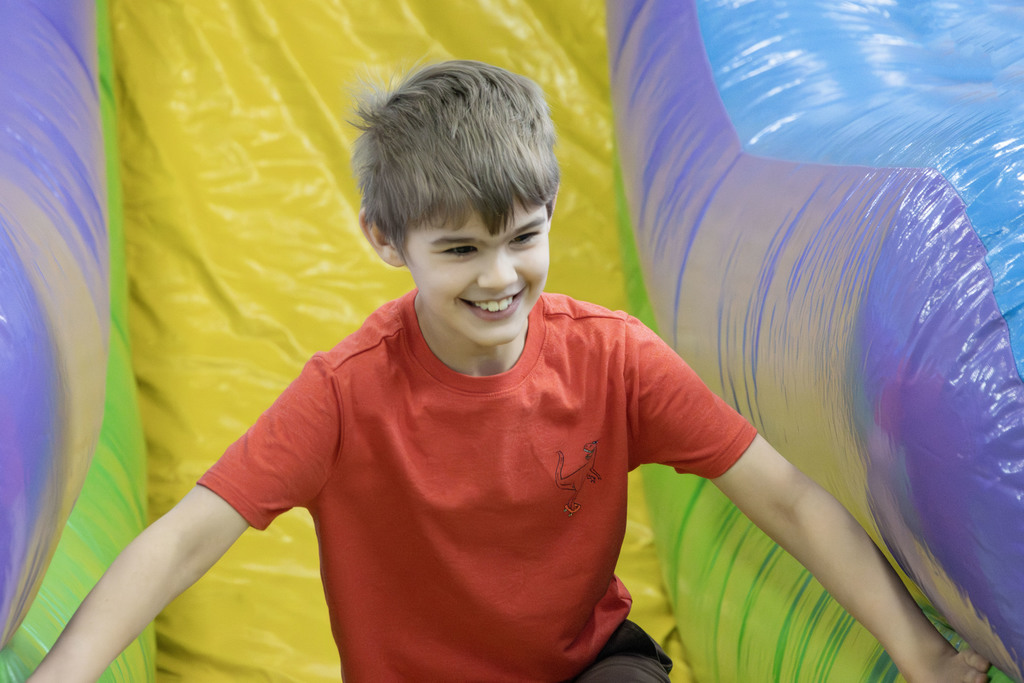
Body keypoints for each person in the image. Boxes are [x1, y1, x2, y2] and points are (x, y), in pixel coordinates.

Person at [29, 60, 991, 683]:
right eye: (458, 251)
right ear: (383, 239)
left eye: (523, 239)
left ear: (548, 209)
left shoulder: (611, 358)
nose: (500, 279)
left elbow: (782, 495)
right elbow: (188, 537)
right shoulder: (345, 393)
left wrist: (916, 650)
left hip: (587, 669)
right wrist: (66, 670)